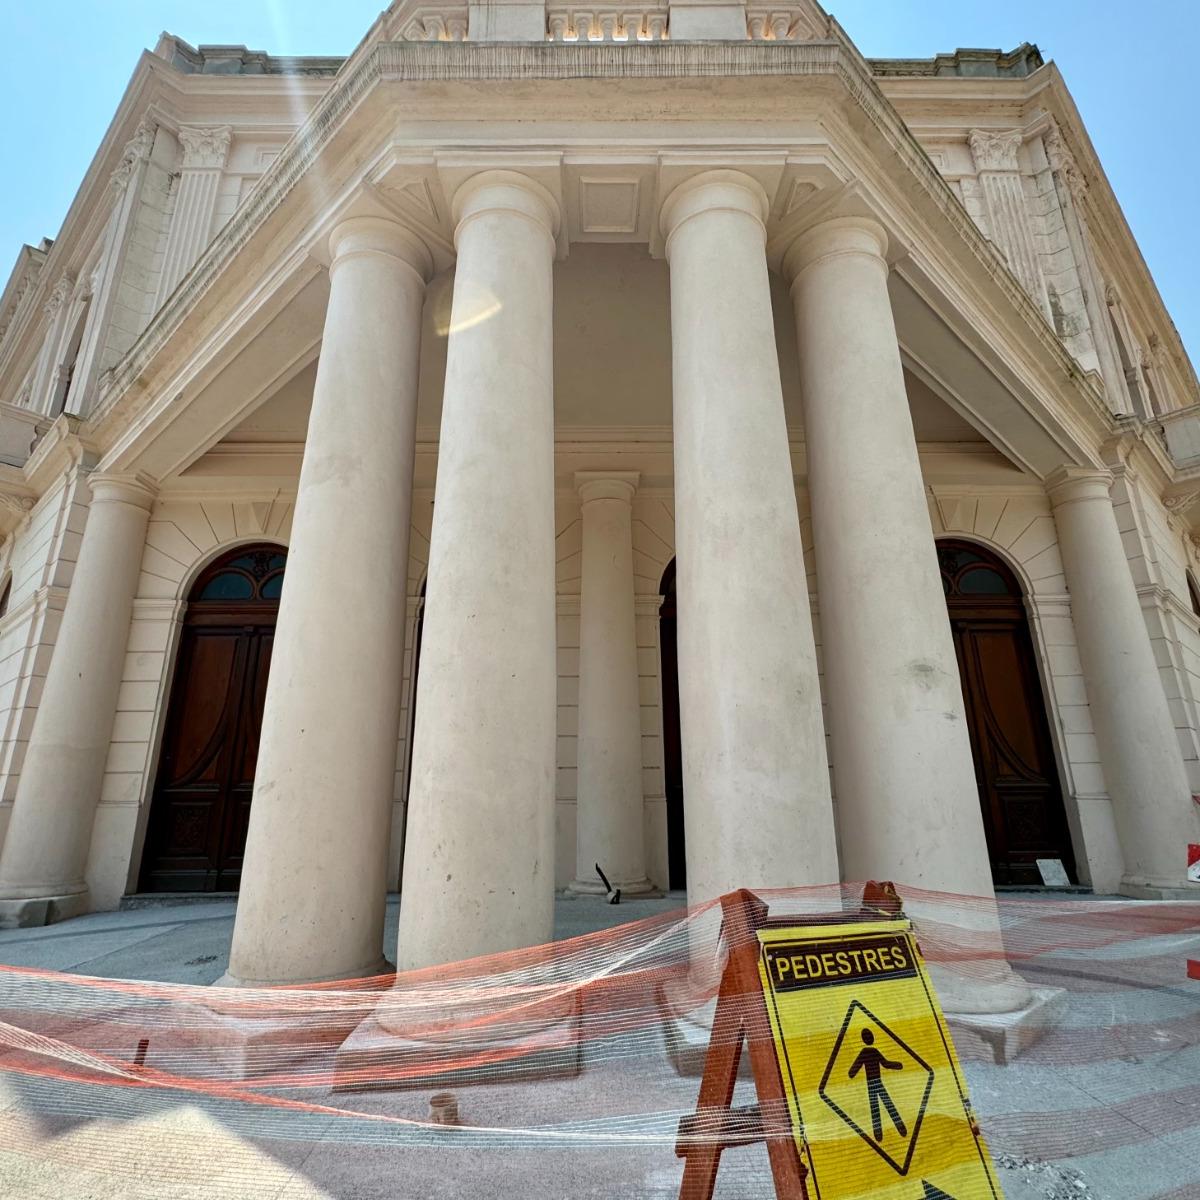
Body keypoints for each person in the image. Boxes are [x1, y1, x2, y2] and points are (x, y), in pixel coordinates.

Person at [848, 1028, 907, 1142]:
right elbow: (885, 1064)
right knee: (887, 1104)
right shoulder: (873, 1051)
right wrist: (897, 1065)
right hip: (877, 1083)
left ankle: (881, 1133)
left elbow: (857, 1066)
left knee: (876, 1107)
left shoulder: (865, 1052)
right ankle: (897, 1128)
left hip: (872, 1083)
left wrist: (852, 1073)